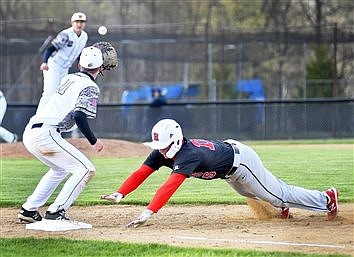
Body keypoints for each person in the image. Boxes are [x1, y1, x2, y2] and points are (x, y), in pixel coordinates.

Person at [101, 118, 339, 228]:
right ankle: (280, 208)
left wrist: (148, 212)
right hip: (229, 169)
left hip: (241, 162)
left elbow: (169, 187)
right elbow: (142, 172)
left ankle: (326, 199)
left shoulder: (187, 155)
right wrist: (121, 193)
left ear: (174, 141)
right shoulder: (164, 152)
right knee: (258, 194)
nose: (160, 152)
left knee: (280, 194)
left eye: (163, 146)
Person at [18, 44, 118, 223]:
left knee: (59, 169)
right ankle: (56, 212)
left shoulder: (69, 78)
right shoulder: (90, 87)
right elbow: (79, 115)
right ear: (101, 67)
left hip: (31, 131)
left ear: (79, 65)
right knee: (86, 169)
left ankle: (28, 210)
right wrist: (93, 141)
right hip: (46, 134)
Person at [37, 12, 88, 111]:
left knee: (62, 93)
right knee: (49, 91)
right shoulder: (66, 35)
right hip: (54, 65)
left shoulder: (84, 36)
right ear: (72, 23)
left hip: (65, 68)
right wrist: (44, 62)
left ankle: (54, 118)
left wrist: (81, 64)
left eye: (82, 22)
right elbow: (50, 49)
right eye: (77, 21)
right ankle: (38, 118)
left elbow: (79, 53)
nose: (79, 24)